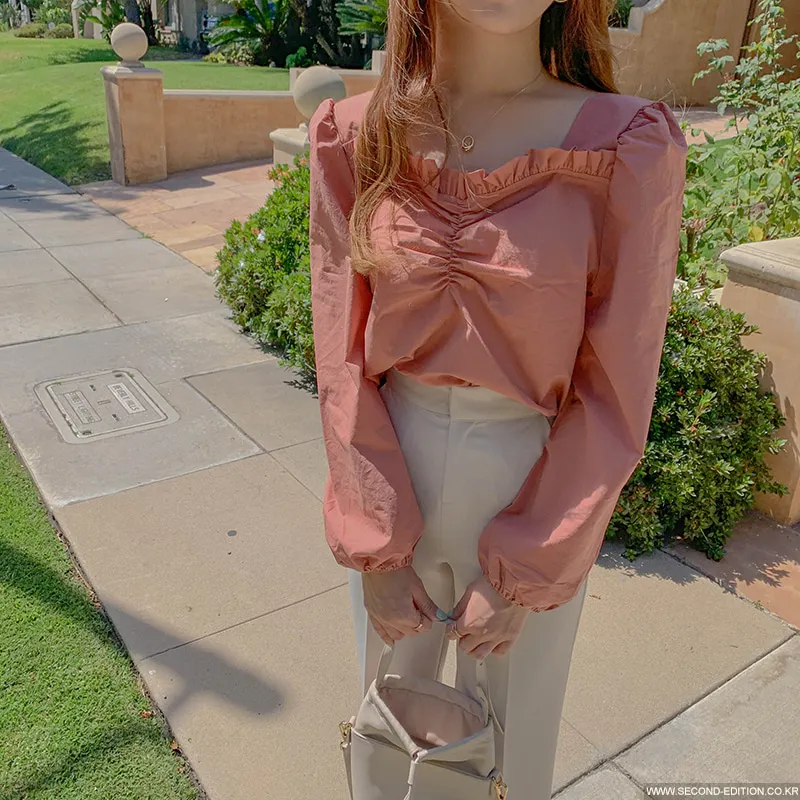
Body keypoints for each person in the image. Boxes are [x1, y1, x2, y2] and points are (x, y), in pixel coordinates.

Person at [308, 0, 687, 795]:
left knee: (513, 751)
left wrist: (533, 566)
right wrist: (375, 543)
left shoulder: (626, 143)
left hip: (536, 477)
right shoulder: (355, 133)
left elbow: (619, 382)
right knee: (388, 738)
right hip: (390, 465)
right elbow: (341, 353)